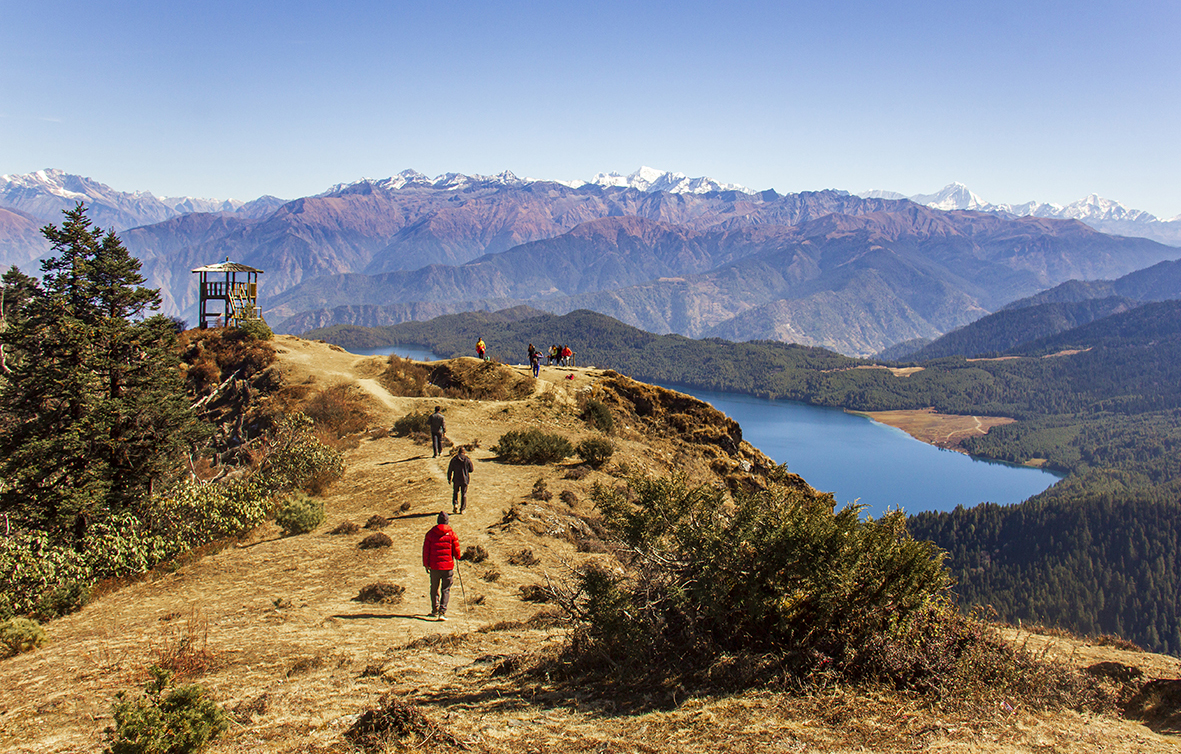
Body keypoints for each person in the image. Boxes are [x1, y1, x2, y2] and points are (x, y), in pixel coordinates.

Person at [422, 511, 461, 620]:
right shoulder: (452, 534)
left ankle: (435, 609)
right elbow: (456, 549)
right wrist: (457, 557)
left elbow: (426, 551)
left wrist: (426, 564)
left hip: (434, 567)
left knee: (434, 588)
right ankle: (442, 612)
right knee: (446, 589)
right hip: (448, 567)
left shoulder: (430, 534)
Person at [447, 446, 474, 514]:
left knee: (455, 492)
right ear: (464, 452)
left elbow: (450, 470)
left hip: (456, 479)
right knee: (464, 494)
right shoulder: (467, 459)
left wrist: (449, 478)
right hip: (465, 479)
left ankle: (455, 504)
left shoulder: (454, 459)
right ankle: (462, 509)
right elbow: (471, 470)